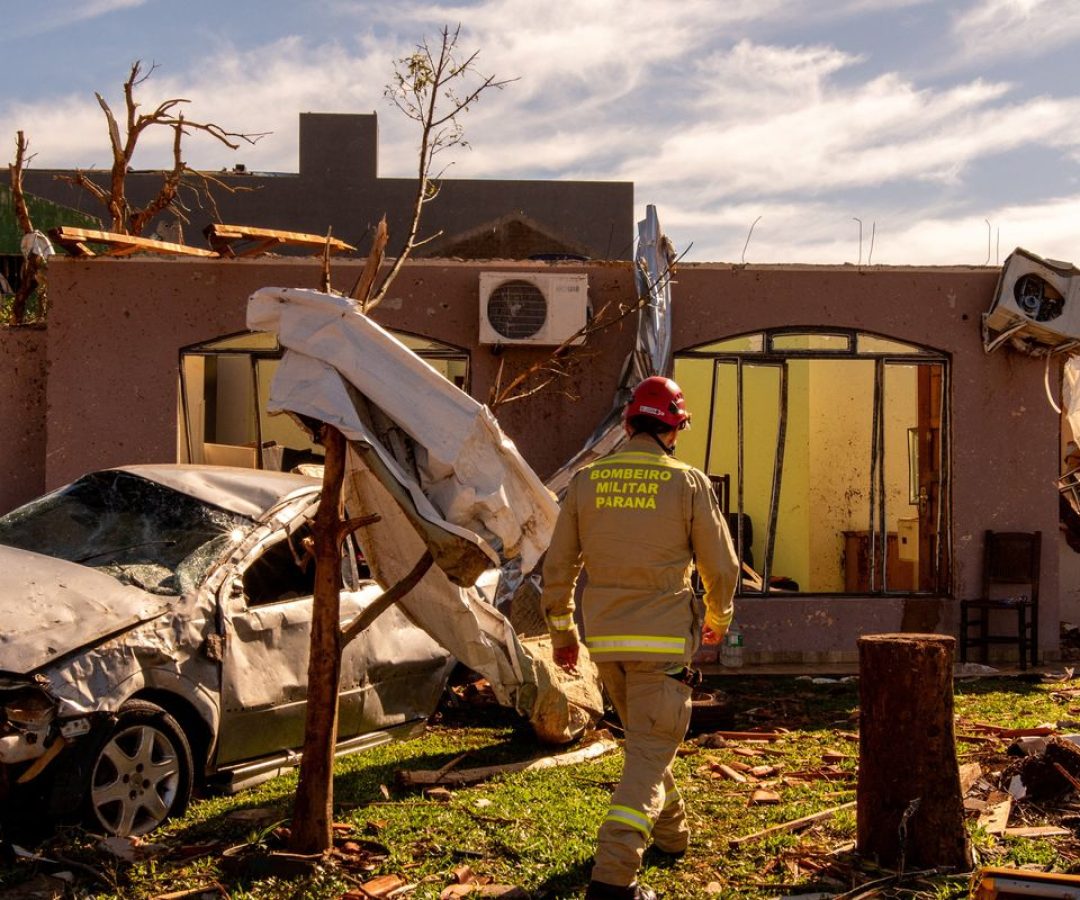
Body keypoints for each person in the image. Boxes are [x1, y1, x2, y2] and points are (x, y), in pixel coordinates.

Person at [541, 375, 740, 900]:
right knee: (649, 752)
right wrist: (719, 618)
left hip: (607, 642)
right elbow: (721, 567)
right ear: (673, 430)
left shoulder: (587, 481)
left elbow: (557, 569)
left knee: (646, 745)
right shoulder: (688, 483)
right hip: (664, 644)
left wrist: (563, 634)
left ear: (629, 425)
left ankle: (673, 837)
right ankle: (614, 877)